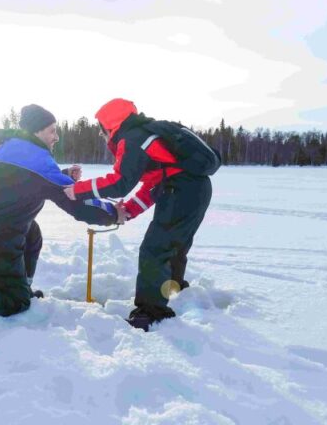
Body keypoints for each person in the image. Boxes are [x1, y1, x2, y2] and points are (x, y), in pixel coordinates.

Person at [0, 104, 125, 321]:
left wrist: (64, 174)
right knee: (15, 301)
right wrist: (113, 213)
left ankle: (21, 286)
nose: (56, 137)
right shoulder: (36, 159)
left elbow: (25, 179)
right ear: (36, 131)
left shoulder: (15, 147)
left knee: (31, 233)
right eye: (52, 130)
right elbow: (76, 201)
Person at [64, 98, 219, 331]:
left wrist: (77, 190)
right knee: (174, 244)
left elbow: (119, 183)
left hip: (181, 190)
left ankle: (151, 312)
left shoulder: (133, 138)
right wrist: (128, 210)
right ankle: (173, 287)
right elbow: (153, 185)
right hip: (194, 189)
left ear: (111, 127)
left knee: (155, 249)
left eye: (102, 133)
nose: (104, 138)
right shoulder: (147, 135)